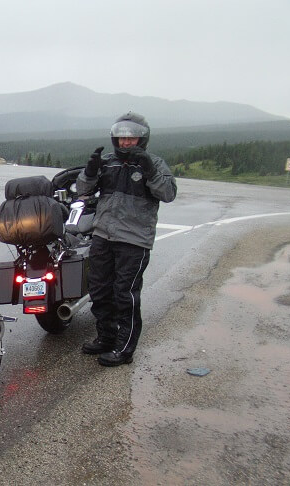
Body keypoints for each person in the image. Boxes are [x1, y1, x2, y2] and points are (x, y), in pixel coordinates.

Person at [75, 112, 177, 366]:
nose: (125, 143)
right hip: (103, 235)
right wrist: (89, 171)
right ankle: (106, 337)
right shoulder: (108, 162)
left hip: (134, 240)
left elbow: (168, 193)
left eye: (131, 139)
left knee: (125, 294)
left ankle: (124, 348)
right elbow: (83, 190)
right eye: (121, 139)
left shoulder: (154, 163)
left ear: (142, 139)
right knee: (98, 290)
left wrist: (149, 170)